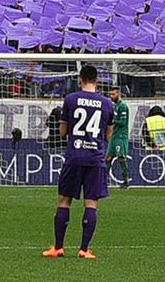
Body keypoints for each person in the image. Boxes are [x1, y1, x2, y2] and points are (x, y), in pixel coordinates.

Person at [44, 65, 113, 260]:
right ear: (97, 80)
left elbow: (63, 131)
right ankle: (84, 249)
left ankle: (58, 248)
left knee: (64, 201)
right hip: (95, 159)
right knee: (91, 203)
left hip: (74, 157)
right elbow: (108, 134)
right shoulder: (107, 103)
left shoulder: (71, 99)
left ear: (80, 79)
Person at [107, 86, 132, 189]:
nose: (111, 96)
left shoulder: (123, 106)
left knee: (121, 158)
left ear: (118, 94)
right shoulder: (116, 106)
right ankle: (102, 181)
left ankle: (126, 182)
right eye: (110, 95)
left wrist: (112, 120)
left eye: (113, 94)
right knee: (108, 158)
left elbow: (122, 122)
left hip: (121, 137)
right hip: (114, 136)